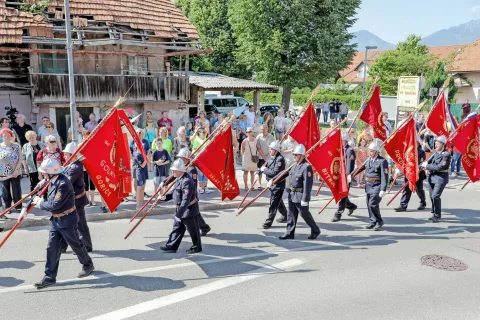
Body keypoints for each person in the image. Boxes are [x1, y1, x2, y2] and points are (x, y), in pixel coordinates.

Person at [29, 158, 94, 289]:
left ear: (50, 173)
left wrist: (40, 203)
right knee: (52, 247)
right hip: (55, 221)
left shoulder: (63, 183)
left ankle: (88, 264)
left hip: (67, 220)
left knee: (77, 245)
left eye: (44, 173)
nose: (42, 175)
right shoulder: (52, 181)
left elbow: (55, 204)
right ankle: (49, 277)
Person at [277, 144, 320, 240]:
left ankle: (315, 229)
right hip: (292, 194)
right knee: (291, 214)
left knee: (304, 214)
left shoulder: (306, 167)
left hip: (300, 195)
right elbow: (284, 174)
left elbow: (307, 184)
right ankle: (289, 233)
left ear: (302, 155)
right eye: (293, 155)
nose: (294, 156)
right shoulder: (294, 165)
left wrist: (305, 198)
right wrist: (273, 179)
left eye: (296, 155)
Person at [160, 159, 202, 254]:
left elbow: (185, 200)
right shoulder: (179, 178)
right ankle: (171, 246)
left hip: (188, 210)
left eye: (174, 170)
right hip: (180, 210)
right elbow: (175, 193)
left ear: (180, 171)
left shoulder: (187, 181)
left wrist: (178, 215)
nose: (172, 172)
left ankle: (197, 246)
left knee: (193, 231)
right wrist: (164, 198)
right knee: (177, 229)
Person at [349, 139, 388, 230]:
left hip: (377, 185)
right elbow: (360, 168)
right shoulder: (368, 160)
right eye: (369, 151)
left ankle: (379, 221)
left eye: (372, 151)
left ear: (376, 152)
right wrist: (350, 175)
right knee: (369, 205)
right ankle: (372, 221)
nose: (370, 153)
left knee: (372, 204)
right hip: (368, 185)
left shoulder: (382, 161)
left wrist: (383, 189)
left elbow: (384, 176)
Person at [63, 142, 92, 252]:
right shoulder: (70, 165)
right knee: (68, 223)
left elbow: (67, 182)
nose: (65, 156)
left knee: (80, 224)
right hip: (71, 200)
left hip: (77, 200)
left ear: (72, 155)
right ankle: (63, 246)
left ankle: (87, 245)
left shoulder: (76, 166)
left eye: (66, 154)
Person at [176, 147, 211, 236]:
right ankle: (204, 227)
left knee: (194, 214)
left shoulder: (191, 168)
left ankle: (203, 227)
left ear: (186, 158)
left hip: (191, 195)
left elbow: (193, 184)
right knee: (195, 214)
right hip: (185, 194)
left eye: (181, 157)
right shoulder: (183, 166)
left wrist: (191, 197)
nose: (180, 159)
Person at [422, 135, 451, 223]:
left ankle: (437, 215)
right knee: (431, 196)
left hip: (441, 177)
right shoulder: (434, 153)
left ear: (443, 144)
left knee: (435, 196)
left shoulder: (446, 154)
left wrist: (427, 166)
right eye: (435, 143)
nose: (436, 145)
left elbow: (441, 166)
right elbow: (428, 162)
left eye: (438, 143)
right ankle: (434, 212)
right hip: (432, 177)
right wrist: (423, 165)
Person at [259, 140, 287, 228]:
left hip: (278, 185)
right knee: (278, 202)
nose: (270, 150)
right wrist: (258, 173)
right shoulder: (271, 157)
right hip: (271, 184)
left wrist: (264, 170)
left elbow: (275, 173)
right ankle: (286, 215)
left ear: (276, 150)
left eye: (271, 149)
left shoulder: (280, 159)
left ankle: (268, 222)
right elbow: (264, 166)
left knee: (273, 204)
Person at [332, 132, 358, 222]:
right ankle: (351, 206)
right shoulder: (339, 149)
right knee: (342, 194)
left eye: (341, 140)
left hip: (346, 176)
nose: (340, 142)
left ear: (345, 141)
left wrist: (348, 176)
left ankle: (338, 213)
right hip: (338, 175)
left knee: (342, 194)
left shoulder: (349, 150)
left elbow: (349, 165)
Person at [394, 141, 427, 212]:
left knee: (419, 189)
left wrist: (419, 167)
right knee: (407, 189)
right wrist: (398, 168)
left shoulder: (421, 152)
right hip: (409, 173)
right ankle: (403, 205)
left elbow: (422, 162)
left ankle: (423, 202)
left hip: (418, 173)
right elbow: (403, 160)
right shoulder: (407, 150)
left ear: (418, 144)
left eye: (416, 142)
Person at [0, 128, 22, 212]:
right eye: (4, 136)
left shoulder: (16, 145)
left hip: (15, 171)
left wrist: (16, 170)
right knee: (5, 190)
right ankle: (8, 207)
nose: (6, 137)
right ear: (1, 137)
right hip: (3, 172)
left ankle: (18, 206)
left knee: (16, 189)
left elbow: (20, 158)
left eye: (8, 136)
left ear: (11, 136)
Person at [191, 127, 210, 194]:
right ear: (199, 133)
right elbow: (194, 149)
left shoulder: (207, 140)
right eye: (202, 132)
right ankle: (200, 187)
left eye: (204, 132)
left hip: (206, 159)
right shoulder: (196, 140)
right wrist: (201, 150)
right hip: (199, 159)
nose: (203, 133)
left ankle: (205, 187)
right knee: (200, 173)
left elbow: (209, 148)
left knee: (205, 174)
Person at [256, 124, 274, 190]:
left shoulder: (271, 136)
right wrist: (264, 156)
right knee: (259, 171)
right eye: (261, 129)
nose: (262, 130)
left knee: (269, 171)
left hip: (269, 157)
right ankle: (259, 185)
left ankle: (269, 184)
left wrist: (269, 156)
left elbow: (273, 147)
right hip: (261, 157)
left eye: (263, 129)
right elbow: (258, 148)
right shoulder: (259, 137)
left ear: (266, 129)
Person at [132, 138, 148, 209]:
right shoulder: (137, 154)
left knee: (142, 188)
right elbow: (142, 165)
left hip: (144, 172)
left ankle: (142, 203)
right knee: (139, 189)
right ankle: (138, 204)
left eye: (142, 146)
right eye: (141, 146)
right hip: (140, 173)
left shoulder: (143, 153)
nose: (142, 147)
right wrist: (147, 158)